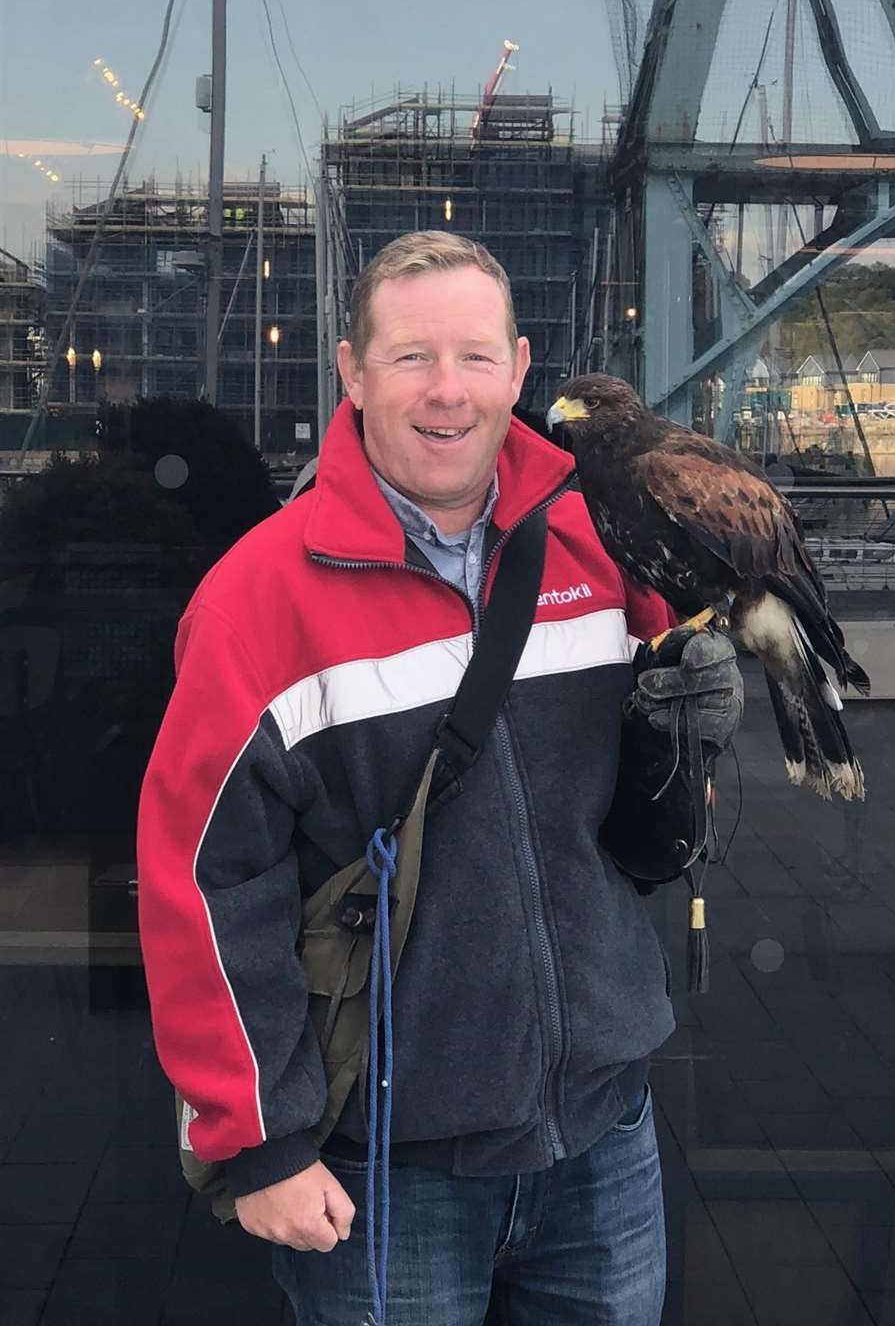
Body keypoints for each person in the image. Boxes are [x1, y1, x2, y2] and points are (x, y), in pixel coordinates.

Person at [137, 231, 742, 1325]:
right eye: (412, 357)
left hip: (601, 1142)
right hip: (384, 1171)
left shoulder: (603, 543)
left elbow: (653, 832)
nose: (447, 392)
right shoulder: (256, 601)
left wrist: (686, 741)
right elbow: (202, 885)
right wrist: (257, 1144)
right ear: (353, 373)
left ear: (519, 371)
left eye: (474, 358)